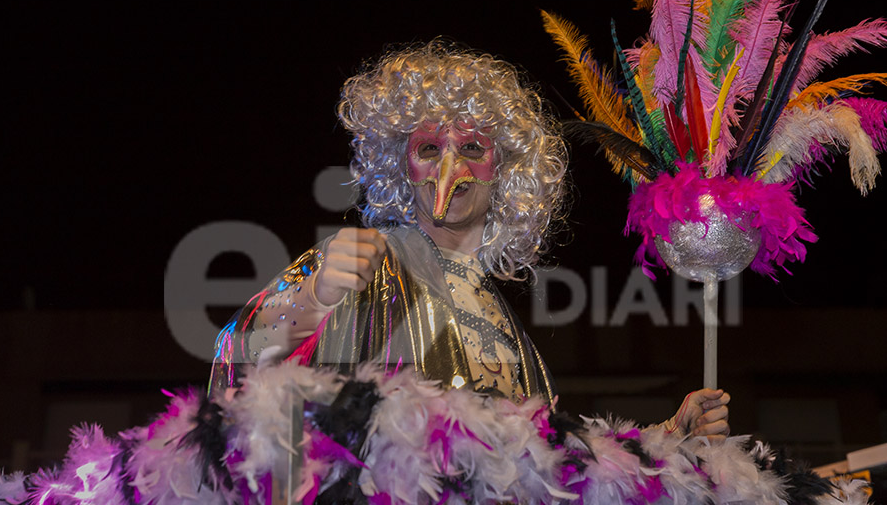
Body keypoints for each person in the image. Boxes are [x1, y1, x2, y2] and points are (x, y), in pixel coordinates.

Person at [209, 38, 730, 439]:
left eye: (473, 147)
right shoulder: (368, 262)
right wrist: (312, 296)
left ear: (503, 171)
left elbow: (547, 462)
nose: (450, 168)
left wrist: (668, 436)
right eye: (430, 148)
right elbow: (239, 354)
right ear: (402, 165)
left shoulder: (501, 318)